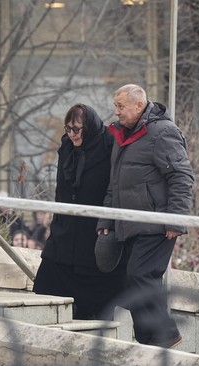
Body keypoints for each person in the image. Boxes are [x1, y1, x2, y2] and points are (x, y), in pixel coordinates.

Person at [96, 84, 195, 348]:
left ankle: (167, 337)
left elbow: (182, 177)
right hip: (128, 224)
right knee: (131, 281)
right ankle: (149, 340)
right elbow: (114, 184)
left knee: (141, 276)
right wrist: (107, 220)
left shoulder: (163, 132)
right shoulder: (124, 136)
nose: (116, 112)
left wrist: (175, 219)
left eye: (120, 106)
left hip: (157, 224)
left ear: (138, 105)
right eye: (116, 106)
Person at [33, 103, 125, 320]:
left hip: (93, 236)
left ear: (89, 128)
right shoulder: (67, 147)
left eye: (77, 129)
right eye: (68, 128)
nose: (72, 134)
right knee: (45, 288)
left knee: (94, 308)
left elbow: (114, 189)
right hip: (64, 235)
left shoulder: (108, 147)